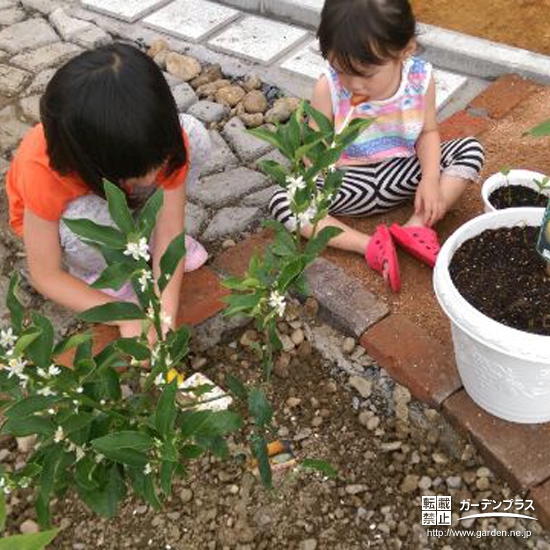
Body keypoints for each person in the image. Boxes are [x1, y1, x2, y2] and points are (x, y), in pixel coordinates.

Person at [269, 0, 485, 292]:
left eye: (365, 73)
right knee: (285, 199)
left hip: (401, 176)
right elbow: (313, 150)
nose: (353, 84)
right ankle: (369, 246)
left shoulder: (420, 80)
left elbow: (428, 132)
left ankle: (417, 226)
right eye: (341, 69)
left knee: (469, 149)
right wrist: (323, 170)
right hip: (348, 184)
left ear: (405, 50)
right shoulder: (329, 88)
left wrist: (431, 179)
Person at [6, 42, 211, 339]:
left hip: (121, 194)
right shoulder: (43, 170)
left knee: (195, 135)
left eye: (160, 163)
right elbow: (46, 275)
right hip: (74, 221)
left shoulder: (156, 140)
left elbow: (171, 230)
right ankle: (98, 273)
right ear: (88, 164)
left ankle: (143, 240)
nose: (154, 177)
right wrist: (124, 317)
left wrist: (163, 313)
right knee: (85, 222)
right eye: (138, 175)